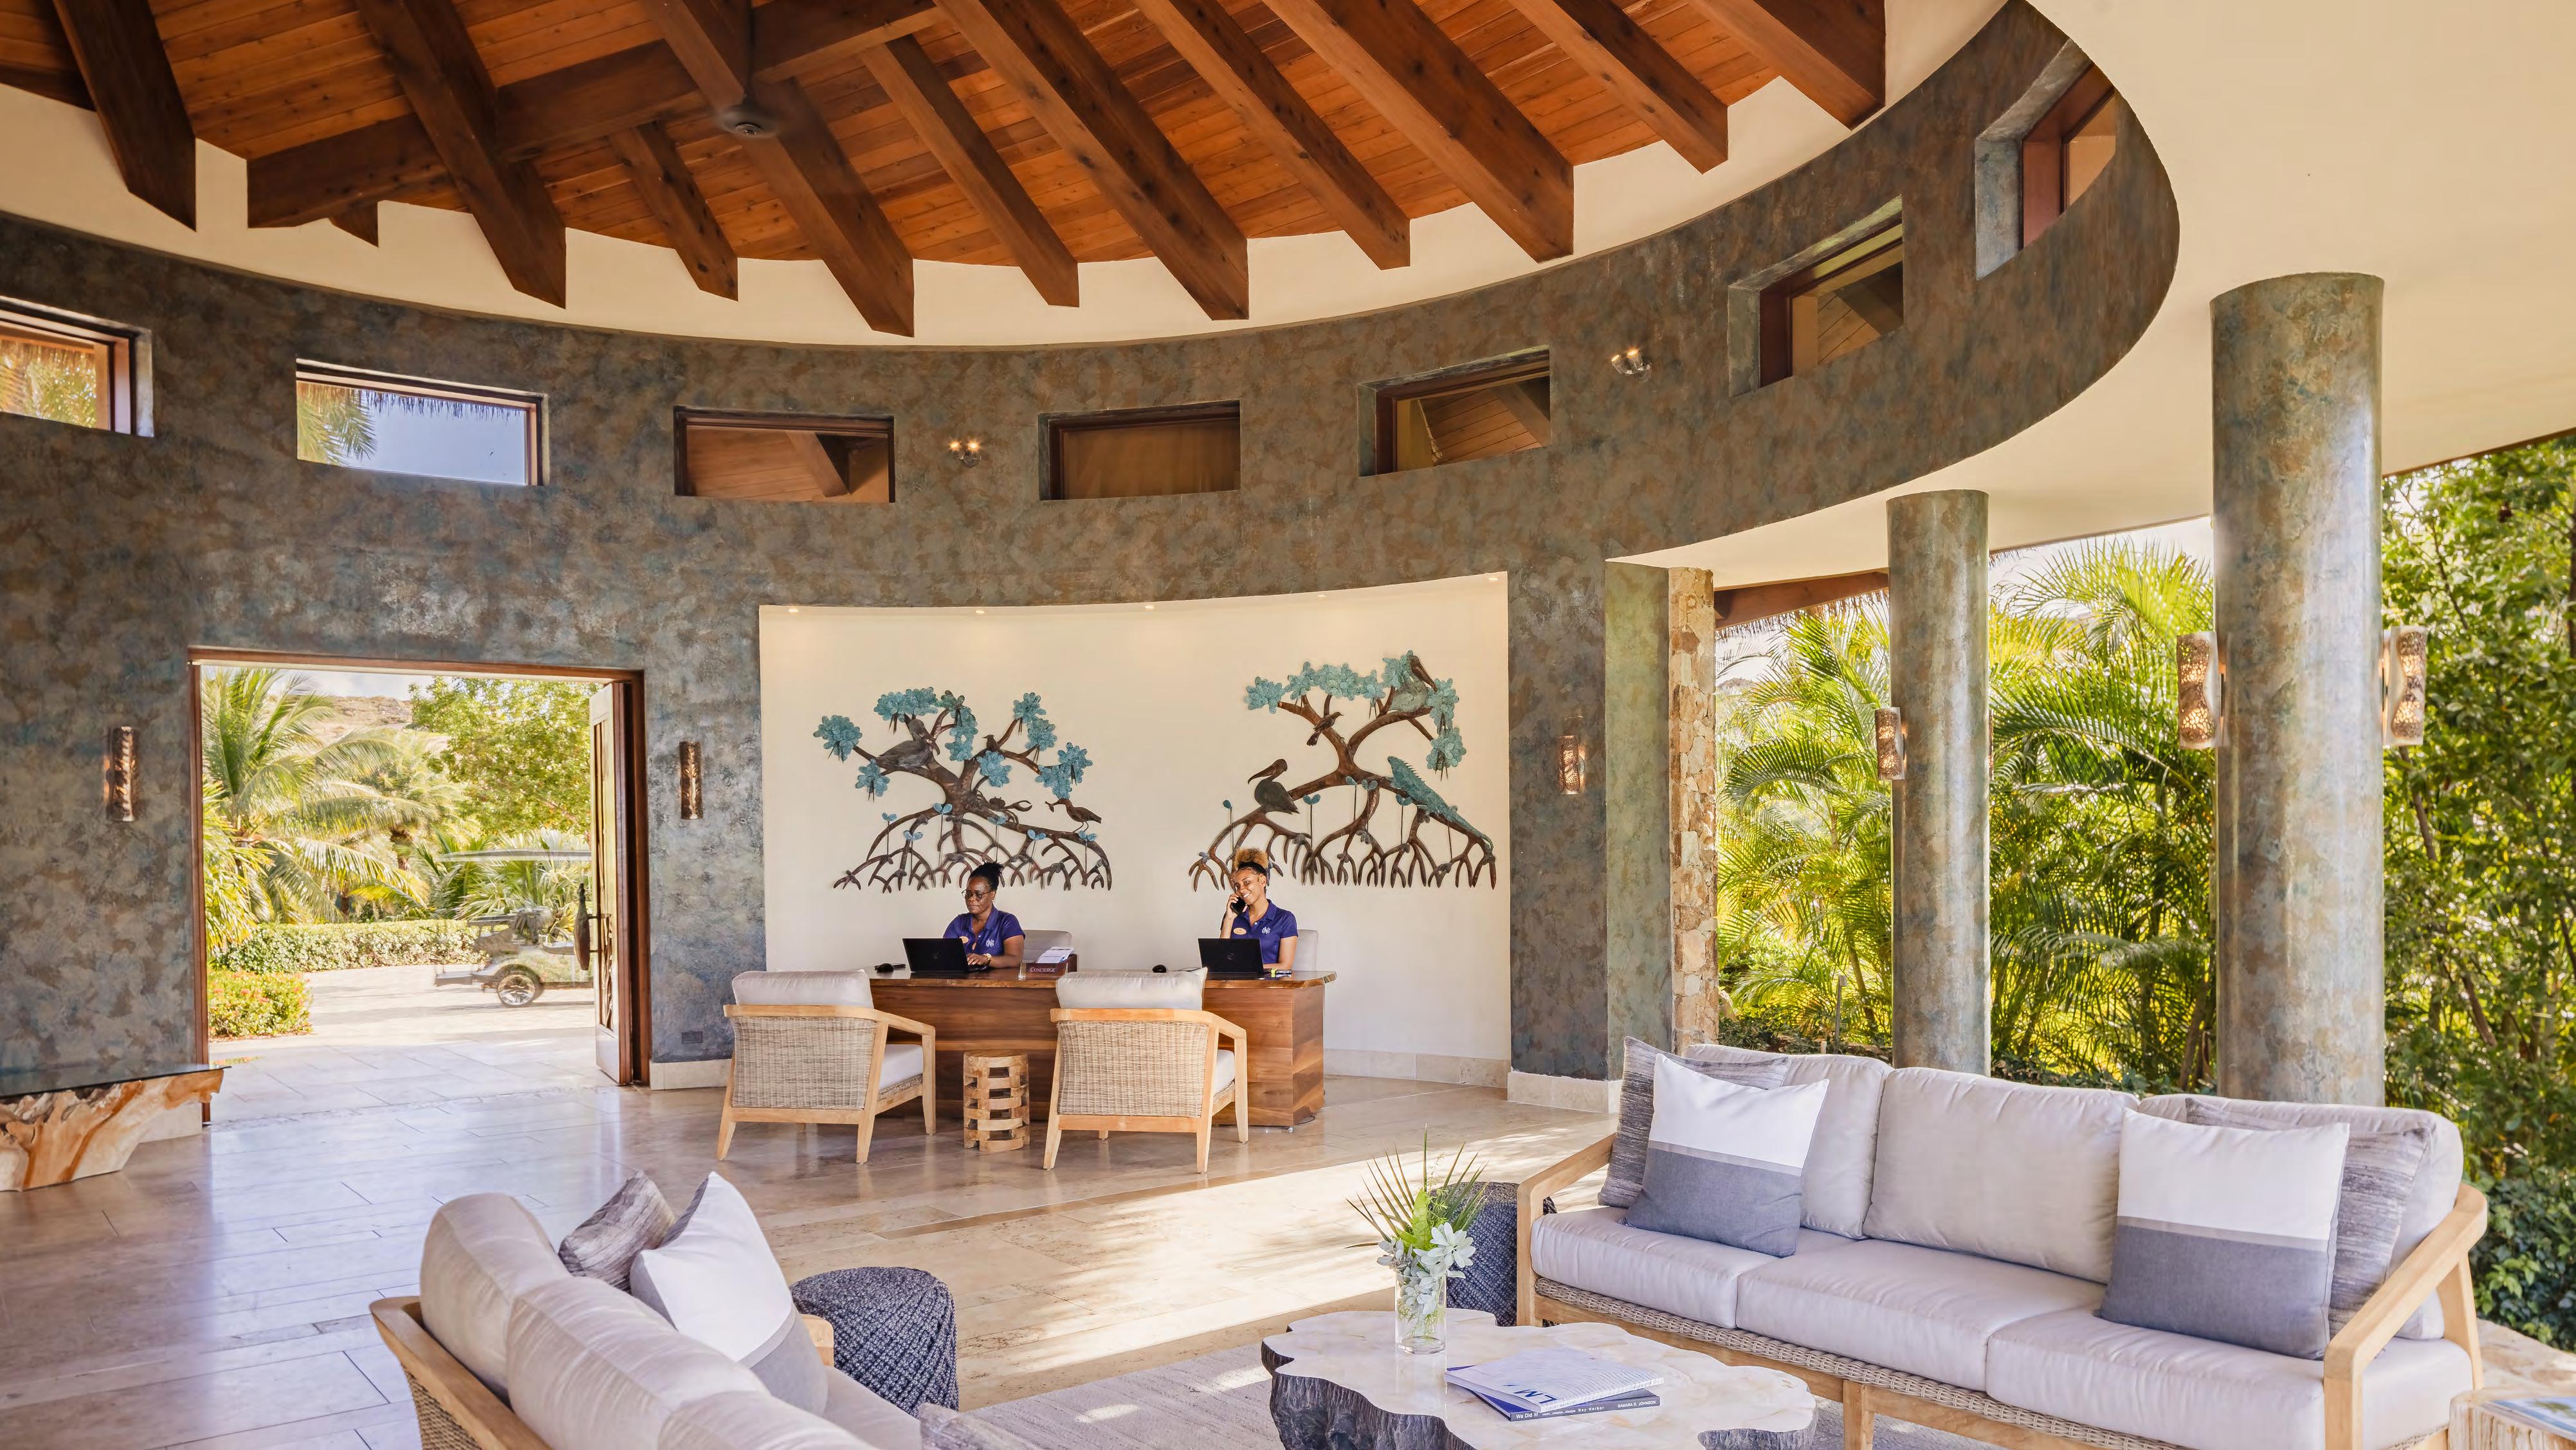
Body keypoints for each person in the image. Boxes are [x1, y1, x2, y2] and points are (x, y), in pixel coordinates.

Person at [1218, 847, 1299, 975]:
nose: (1241, 890)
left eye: (1247, 882)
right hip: (1236, 984)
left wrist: (1246, 968)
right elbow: (1220, 960)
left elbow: (1285, 966)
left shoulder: (1285, 918)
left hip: (1270, 985)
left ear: (1263, 881)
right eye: (1237, 886)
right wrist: (1229, 919)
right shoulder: (1232, 917)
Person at [944, 863, 1025, 971]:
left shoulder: (1007, 921)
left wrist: (986, 960)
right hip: (962, 980)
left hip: (997, 981)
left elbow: (1015, 959)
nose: (971, 899)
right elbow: (944, 954)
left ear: (992, 895)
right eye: (968, 894)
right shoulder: (959, 922)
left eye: (978, 895)